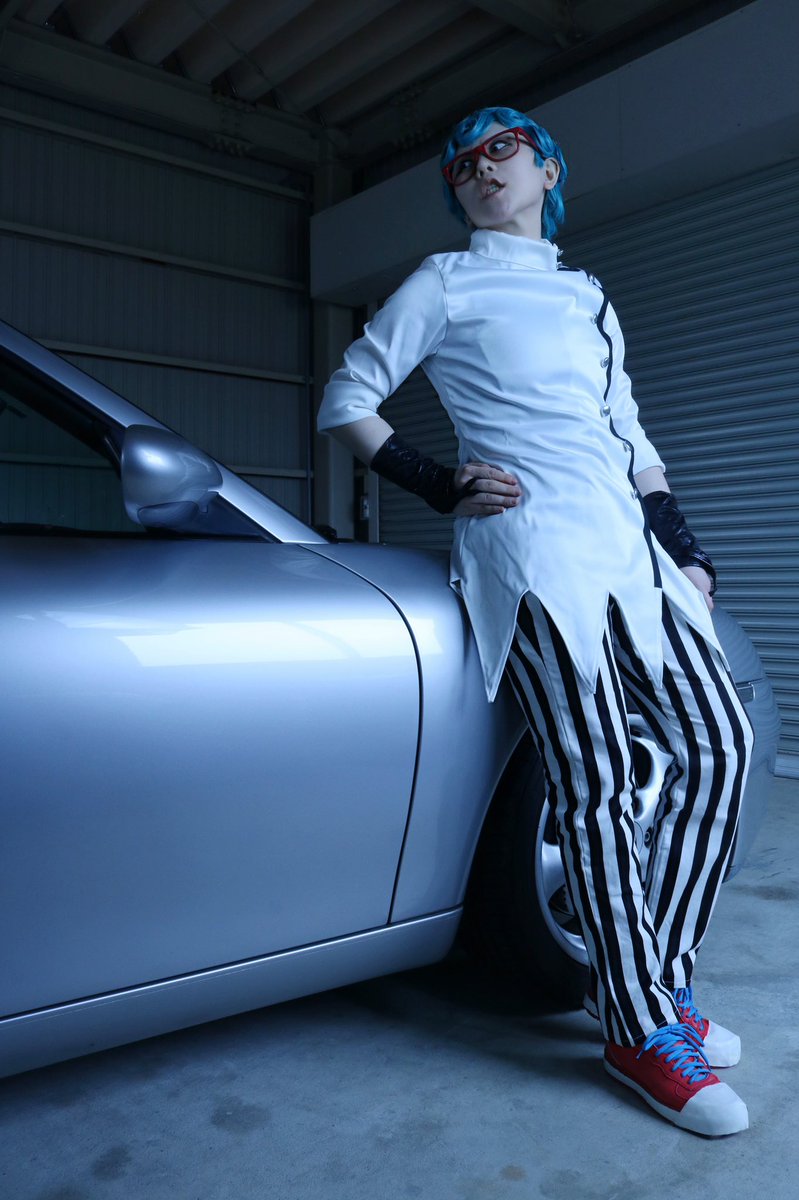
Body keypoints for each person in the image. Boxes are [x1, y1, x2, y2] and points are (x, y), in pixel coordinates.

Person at [316, 105, 753, 1137]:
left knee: (719, 748)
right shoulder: (443, 282)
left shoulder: (587, 295)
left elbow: (627, 433)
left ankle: (651, 982)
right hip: (531, 554)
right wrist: (437, 481)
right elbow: (346, 396)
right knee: (595, 783)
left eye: (499, 151)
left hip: (634, 559)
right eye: (460, 164)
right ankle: (639, 1030)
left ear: (548, 168)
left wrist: (684, 547)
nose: (479, 170)